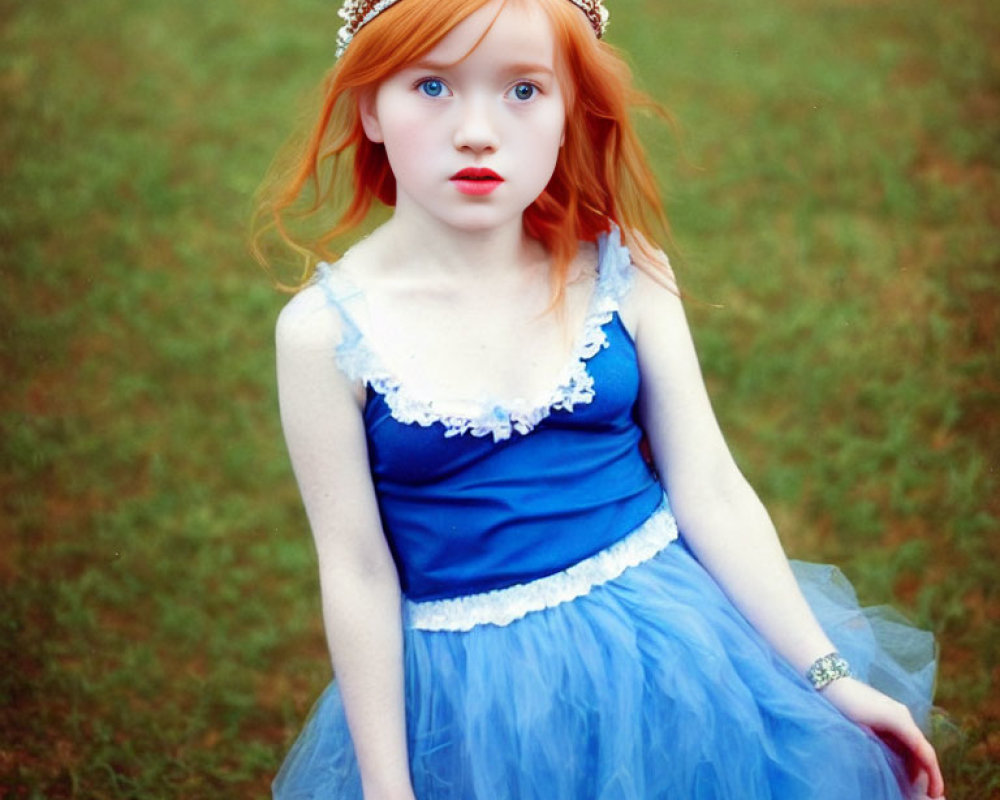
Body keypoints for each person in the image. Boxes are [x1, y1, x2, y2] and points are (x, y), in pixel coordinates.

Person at [256, 0, 945, 797]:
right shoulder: (324, 333)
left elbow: (710, 488)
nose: (477, 130)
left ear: (568, 111)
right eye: (432, 87)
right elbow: (358, 572)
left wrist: (832, 677)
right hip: (474, 697)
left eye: (522, 90)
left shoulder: (624, 269)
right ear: (369, 105)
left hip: (674, 653)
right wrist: (388, 789)